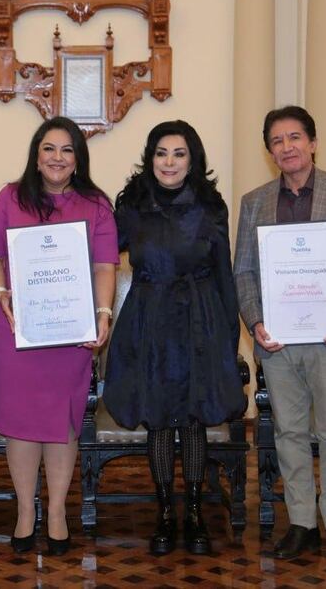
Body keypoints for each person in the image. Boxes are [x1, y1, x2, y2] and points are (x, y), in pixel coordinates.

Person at [233, 105, 326, 566]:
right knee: (289, 431)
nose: (287, 147)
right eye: (277, 141)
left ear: (313, 143)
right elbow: (244, 273)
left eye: (295, 137)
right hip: (278, 342)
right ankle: (300, 522)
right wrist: (256, 322)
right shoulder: (254, 201)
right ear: (269, 151)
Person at [103, 120, 246, 556]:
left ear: (192, 158)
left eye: (178, 153)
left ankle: (197, 514)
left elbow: (224, 272)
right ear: (150, 157)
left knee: (196, 418)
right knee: (160, 418)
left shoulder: (211, 206)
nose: (169, 162)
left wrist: (227, 335)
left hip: (200, 322)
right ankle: (165, 511)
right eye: (161, 153)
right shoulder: (130, 206)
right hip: (149, 323)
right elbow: (97, 254)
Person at [0, 116, 118, 556]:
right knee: (21, 423)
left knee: (62, 421)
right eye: (49, 149)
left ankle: (56, 511)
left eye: (67, 150)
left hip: (68, 332)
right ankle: (25, 511)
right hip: (17, 327)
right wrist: (2, 294)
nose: (57, 158)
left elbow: (104, 267)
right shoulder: (9, 197)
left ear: (78, 159)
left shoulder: (96, 204)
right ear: (36, 156)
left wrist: (102, 314)